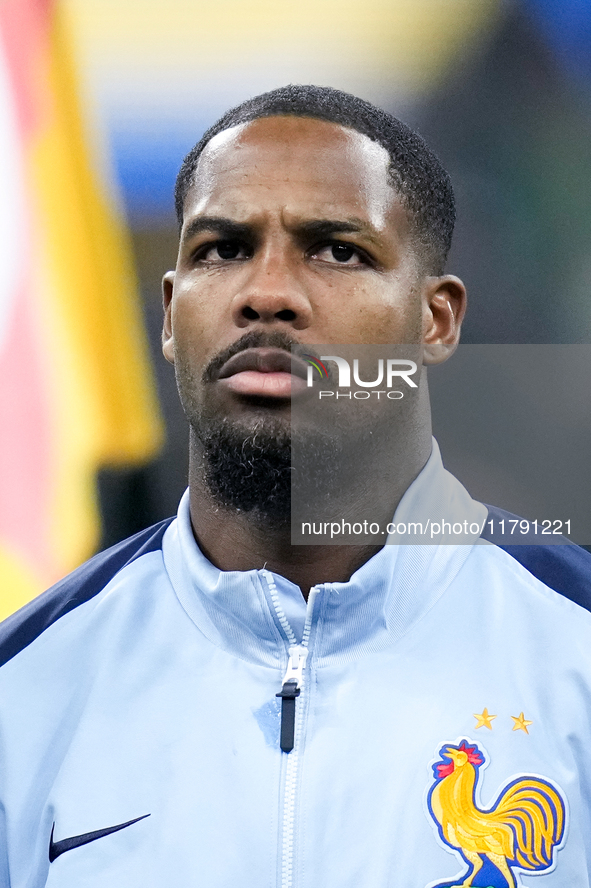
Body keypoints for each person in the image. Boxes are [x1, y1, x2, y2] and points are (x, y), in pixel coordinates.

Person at [1, 85, 590, 888]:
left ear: (437, 320)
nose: (267, 293)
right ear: (171, 317)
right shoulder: (24, 690)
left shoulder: (572, 648)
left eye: (336, 250)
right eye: (222, 248)